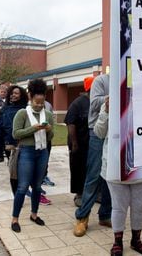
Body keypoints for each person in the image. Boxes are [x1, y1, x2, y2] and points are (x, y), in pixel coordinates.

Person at [95, 97, 142, 255]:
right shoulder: (111, 100)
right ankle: (117, 241)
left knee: (139, 206)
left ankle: (136, 240)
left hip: (141, 163)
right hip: (115, 164)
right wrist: (106, 111)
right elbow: (99, 132)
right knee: (119, 207)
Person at [10, 79, 54, 233]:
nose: (40, 105)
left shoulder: (47, 114)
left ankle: (34, 215)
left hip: (42, 152)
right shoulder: (22, 113)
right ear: (30, 97)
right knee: (22, 187)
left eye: (42, 103)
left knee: (37, 186)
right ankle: (15, 218)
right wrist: (33, 129)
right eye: (37, 102)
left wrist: (48, 129)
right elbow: (15, 134)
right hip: (26, 152)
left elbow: (50, 137)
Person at [74, 73, 112, 237]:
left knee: (112, 175)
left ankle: (105, 215)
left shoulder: (130, 78)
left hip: (118, 131)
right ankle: (82, 217)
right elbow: (94, 102)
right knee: (94, 174)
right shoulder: (101, 80)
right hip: (98, 131)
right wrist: (112, 98)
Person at [65, 76, 93, 207]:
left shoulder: (95, 101)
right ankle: (79, 194)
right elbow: (70, 124)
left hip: (91, 143)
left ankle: (93, 193)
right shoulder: (78, 103)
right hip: (78, 143)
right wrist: (74, 143)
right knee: (78, 168)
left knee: (91, 168)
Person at [0, 85, 28, 186]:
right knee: (13, 172)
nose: (13, 95)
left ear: (21, 96)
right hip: (9, 145)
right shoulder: (5, 109)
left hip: (23, 144)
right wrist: (0, 149)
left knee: (23, 170)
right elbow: (1, 129)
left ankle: (23, 189)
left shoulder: (26, 109)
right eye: (11, 93)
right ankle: (17, 194)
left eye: (16, 93)